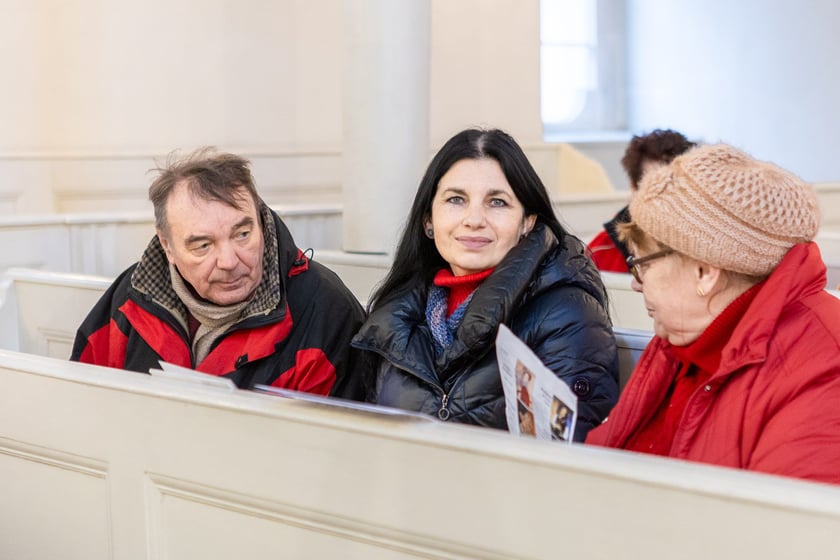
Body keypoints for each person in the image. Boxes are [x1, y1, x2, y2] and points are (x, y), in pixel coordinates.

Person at [586, 143, 840, 485]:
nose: (636, 284)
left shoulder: (822, 369)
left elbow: (780, 530)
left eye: (640, 264)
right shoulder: (681, 338)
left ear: (705, 273)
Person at [351, 128, 619, 441]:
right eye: (455, 200)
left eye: (497, 202)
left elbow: (566, 457)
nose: (474, 219)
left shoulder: (566, 314)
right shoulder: (396, 311)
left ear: (527, 222)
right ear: (428, 220)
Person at [71, 148, 366, 399]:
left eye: (242, 234)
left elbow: (330, 452)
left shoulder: (326, 311)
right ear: (167, 246)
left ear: (261, 223)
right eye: (202, 245)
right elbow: (84, 407)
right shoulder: (131, 297)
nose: (228, 261)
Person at [588, 129, 696, 272]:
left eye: (675, 187)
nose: (666, 199)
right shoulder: (599, 252)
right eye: (654, 188)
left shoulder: (707, 252)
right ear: (633, 188)